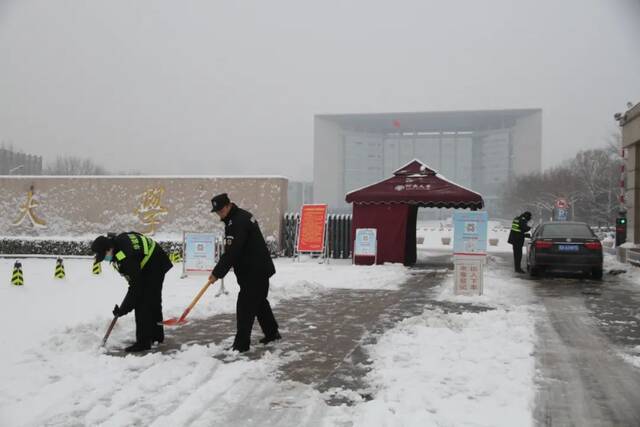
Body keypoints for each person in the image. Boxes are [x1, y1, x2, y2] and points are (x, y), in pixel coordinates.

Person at [208, 193, 281, 352]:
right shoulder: (240, 217)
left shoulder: (237, 222)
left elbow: (232, 251)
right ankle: (271, 332)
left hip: (254, 271)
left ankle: (241, 345)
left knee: (245, 306)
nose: (219, 214)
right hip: (257, 269)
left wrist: (217, 273)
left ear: (228, 206)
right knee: (259, 302)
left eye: (221, 210)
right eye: (217, 212)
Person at [91, 232, 173, 352]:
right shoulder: (118, 242)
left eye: (104, 256)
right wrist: (125, 307)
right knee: (151, 299)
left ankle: (143, 342)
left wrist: (123, 309)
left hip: (155, 263)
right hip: (152, 260)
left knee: (142, 303)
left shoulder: (126, 257)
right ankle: (156, 336)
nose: (104, 259)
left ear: (109, 249)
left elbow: (136, 287)